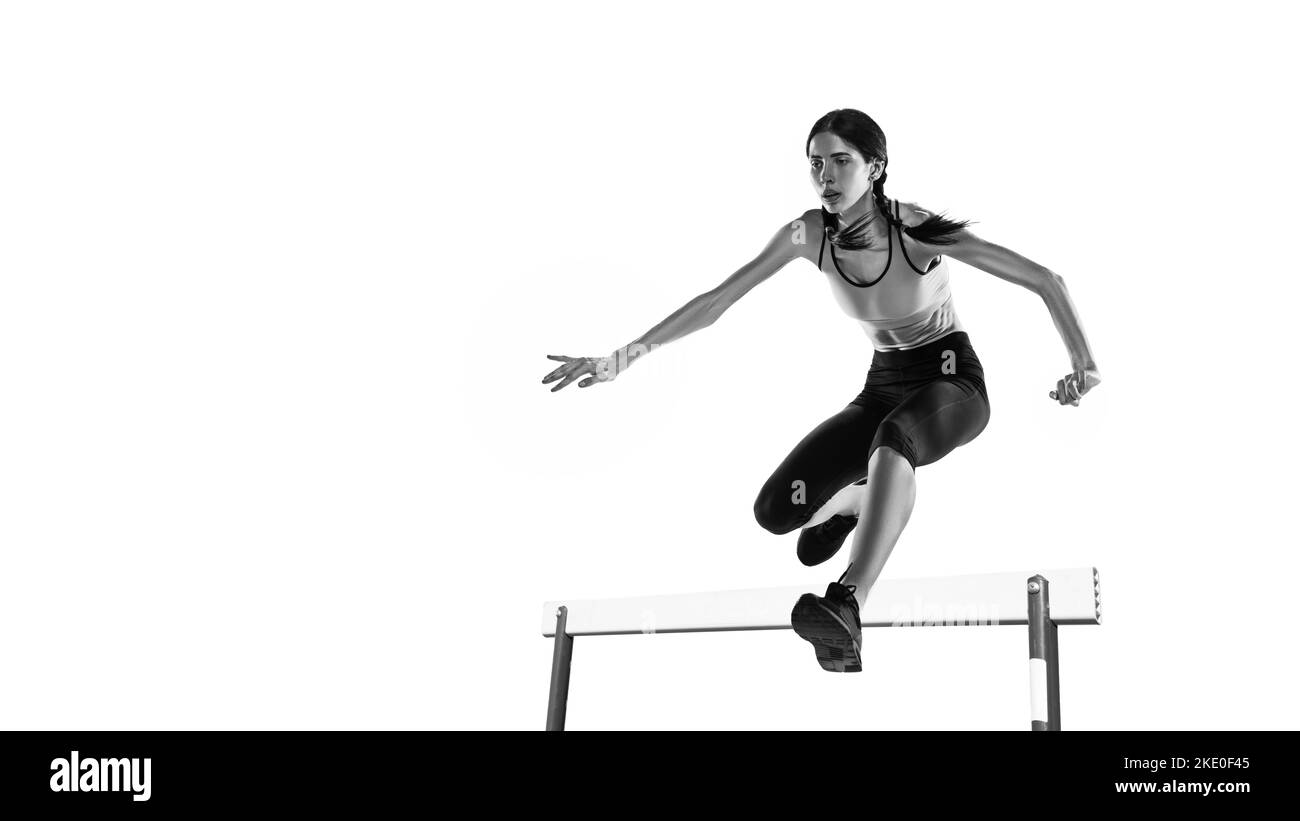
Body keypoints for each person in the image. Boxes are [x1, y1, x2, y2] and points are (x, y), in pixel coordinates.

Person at [542, 109, 1100, 672]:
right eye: (816, 165)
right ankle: (856, 502)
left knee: (894, 437)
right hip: (882, 384)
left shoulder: (916, 228)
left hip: (950, 379)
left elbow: (1044, 280)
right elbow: (716, 302)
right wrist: (622, 358)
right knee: (778, 512)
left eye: (841, 162)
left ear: (875, 167)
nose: (826, 177)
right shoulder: (808, 234)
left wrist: (1083, 365)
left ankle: (849, 601)